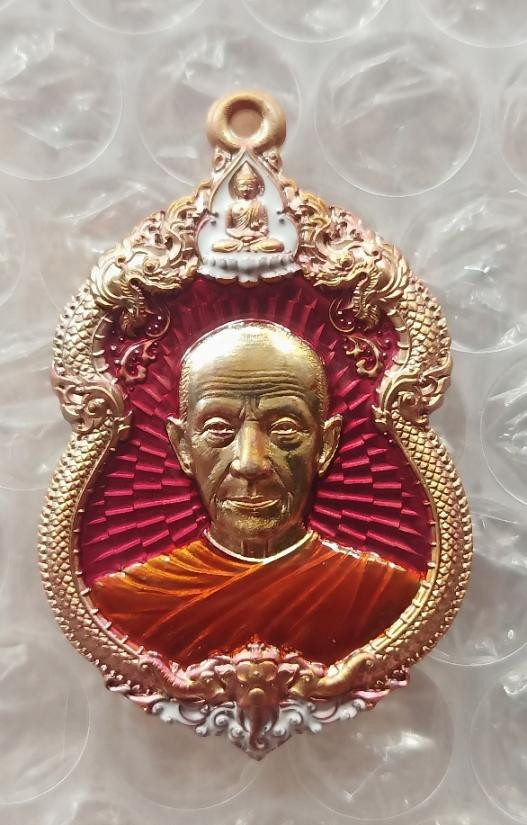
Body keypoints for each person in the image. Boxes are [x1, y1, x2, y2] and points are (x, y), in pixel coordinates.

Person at [91, 321, 421, 666]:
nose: (250, 463)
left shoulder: (382, 593)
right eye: (219, 428)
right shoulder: (129, 600)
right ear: (182, 446)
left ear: (326, 445)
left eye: (285, 428)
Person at [211, 162, 284, 253]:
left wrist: (255, 234)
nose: (246, 189)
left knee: (278, 245)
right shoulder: (232, 207)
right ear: (236, 187)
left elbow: (264, 227)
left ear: (256, 187)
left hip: (257, 240)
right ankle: (248, 248)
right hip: (237, 241)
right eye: (242, 185)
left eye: (250, 186)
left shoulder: (259, 205)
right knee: (216, 246)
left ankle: (251, 248)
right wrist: (240, 235)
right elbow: (228, 228)